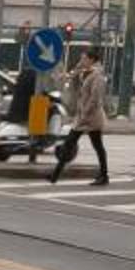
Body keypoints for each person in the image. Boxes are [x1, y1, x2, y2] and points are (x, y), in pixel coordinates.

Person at [48, 48, 109, 186]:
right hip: (82, 116)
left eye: (84, 58)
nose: (82, 61)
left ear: (92, 60)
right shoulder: (83, 73)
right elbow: (67, 79)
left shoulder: (97, 76)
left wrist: (85, 114)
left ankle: (104, 176)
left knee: (94, 146)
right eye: (81, 59)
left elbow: (95, 98)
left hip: (91, 118)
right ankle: (55, 175)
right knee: (70, 145)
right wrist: (76, 68)